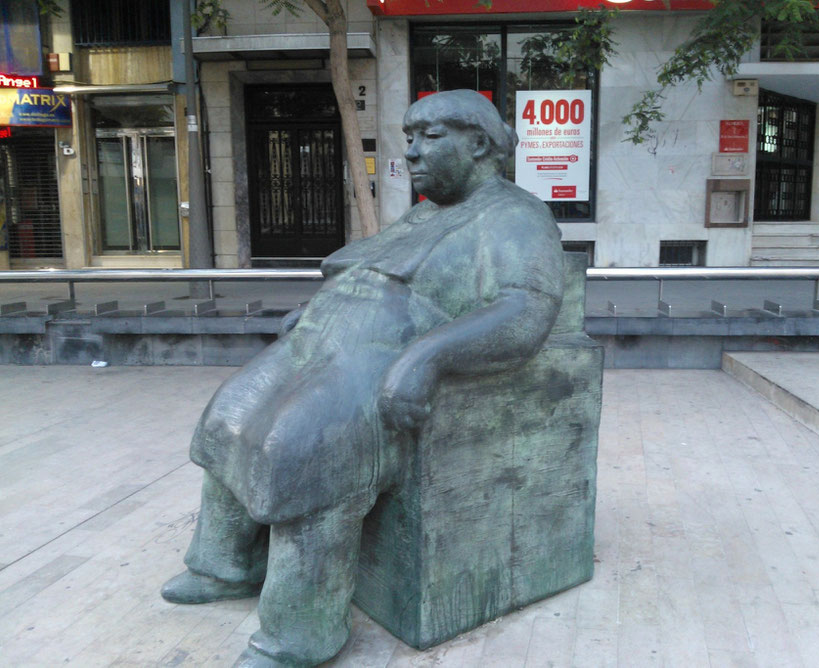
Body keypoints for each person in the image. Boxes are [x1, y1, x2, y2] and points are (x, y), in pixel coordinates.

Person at [161, 89, 565, 667]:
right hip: (320, 341)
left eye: (430, 136)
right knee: (228, 416)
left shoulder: (515, 214)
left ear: (478, 143)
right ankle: (225, 565)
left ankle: (300, 634)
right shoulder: (427, 213)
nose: (412, 153)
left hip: (380, 355)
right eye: (410, 137)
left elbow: (525, 313)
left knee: (300, 446)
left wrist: (426, 357)